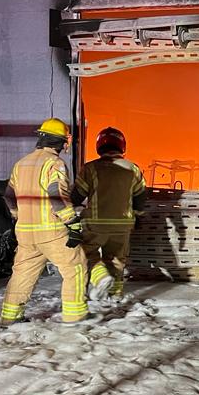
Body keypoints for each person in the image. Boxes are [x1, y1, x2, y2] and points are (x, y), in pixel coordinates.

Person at [0, 118, 88, 325]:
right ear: (62, 142)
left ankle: (9, 318)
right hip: (51, 232)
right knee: (75, 267)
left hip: (25, 233)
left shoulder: (21, 164)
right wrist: (72, 222)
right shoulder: (54, 164)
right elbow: (56, 195)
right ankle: (75, 317)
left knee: (23, 274)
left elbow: (9, 196)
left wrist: (18, 215)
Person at [72, 126, 148, 301]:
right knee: (117, 260)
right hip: (123, 225)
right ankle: (115, 295)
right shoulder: (133, 168)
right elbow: (140, 196)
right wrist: (138, 216)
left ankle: (100, 278)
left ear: (99, 146)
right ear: (122, 145)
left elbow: (76, 196)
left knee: (85, 253)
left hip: (96, 225)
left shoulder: (90, 168)